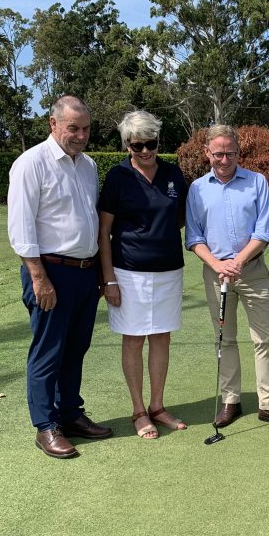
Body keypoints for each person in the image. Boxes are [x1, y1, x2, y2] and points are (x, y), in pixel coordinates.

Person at [7, 96, 113, 458]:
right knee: (48, 351)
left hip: (84, 272)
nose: (80, 135)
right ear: (53, 124)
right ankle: (45, 425)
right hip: (50, 272)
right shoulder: (31, 164)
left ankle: (69, 413)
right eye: (73, 128)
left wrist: (100, 271)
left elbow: (91, 221)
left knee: (76, 348)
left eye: (85, 129)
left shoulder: (88, 165)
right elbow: (21, 228)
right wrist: (38, 277)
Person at [185, 125, 269, 431]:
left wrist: (237, 261)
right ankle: (231, 400)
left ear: (239, 153)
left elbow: (264, 232)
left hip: (253, 271)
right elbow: (194, 236)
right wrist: (217, 264)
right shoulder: (197, 188)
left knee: (265, 339)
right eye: (218, 153)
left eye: (231, 153)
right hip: (214, 274)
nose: (225, 159)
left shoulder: (256, 182)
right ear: (207, 153)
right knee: (224, 339)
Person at [98, 110, 189, 439]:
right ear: (127, 145)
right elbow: (103, 231)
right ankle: (138, 411)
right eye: (138, 145)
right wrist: (108, 279)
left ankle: (158, 406)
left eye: (151, 143)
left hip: (168, 270)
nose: (146, 151)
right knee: (134, 339)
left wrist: (158, 233)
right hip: (128, 272)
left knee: (162, 336)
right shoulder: (117, 177)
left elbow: (178, 217)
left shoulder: (173, 174)